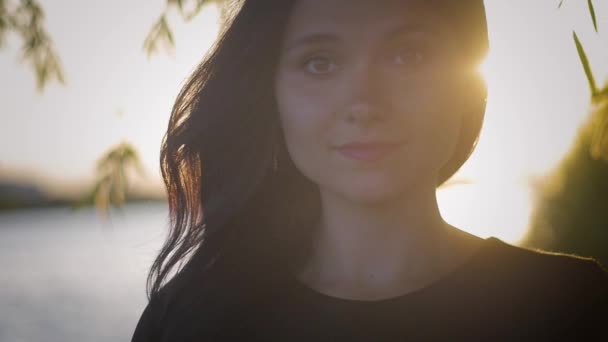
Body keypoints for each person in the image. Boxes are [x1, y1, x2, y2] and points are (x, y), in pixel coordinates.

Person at [132, 0, 608, 340]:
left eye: (409, 55)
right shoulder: (189, 321)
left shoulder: (570, 304)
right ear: (270, 97)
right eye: (320, 63)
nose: (364, 102)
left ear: (466, 86)